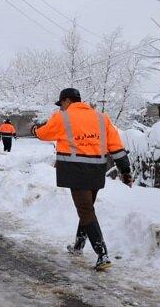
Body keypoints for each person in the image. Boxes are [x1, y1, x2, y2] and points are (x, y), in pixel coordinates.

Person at [31, 88, 133, 271]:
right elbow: (116, 147)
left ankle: (103, 255)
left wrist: (34, 130)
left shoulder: (62, 117)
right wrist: (126, 171)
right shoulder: (103, 118)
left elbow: (44, 134)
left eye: (61, 104)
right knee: (87, 209)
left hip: (75, 170)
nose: (61, 107)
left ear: (67, 101)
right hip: (96, 171)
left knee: (85, 210)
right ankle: (78, 246)